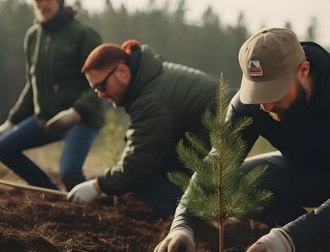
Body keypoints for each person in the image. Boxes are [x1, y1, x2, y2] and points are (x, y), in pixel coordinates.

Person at [152, 27, 330, 252]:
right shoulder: (250, 103)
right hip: (306, 168)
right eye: (258, 92)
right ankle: (316, 242)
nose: (266, 104)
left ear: (304, 71)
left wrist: (288, 238)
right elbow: (218, 163)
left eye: (274, 91)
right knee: (237, 179)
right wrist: (182, 224)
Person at [66, 40, 218, 217]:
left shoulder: (150, 100)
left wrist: (97, 186)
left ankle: (193, 222)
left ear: (122, 72)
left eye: (101, 86)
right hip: (207, 144)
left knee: (141, 179)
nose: (100, 94)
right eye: (95, 89)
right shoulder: (149, 80)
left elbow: (137, 165)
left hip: (223, 147)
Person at [0, 0, 104, 191]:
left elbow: (102, 83)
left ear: (59, 0)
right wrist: (12, 121)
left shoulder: (83, 35)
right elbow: (33, 85)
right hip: (46, 119)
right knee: (2, 148)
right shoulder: (32, 37)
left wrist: (77, 112)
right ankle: (51, 193)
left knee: (69, 173)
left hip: (81, 120)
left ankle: (94, 209)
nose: (43, 4)